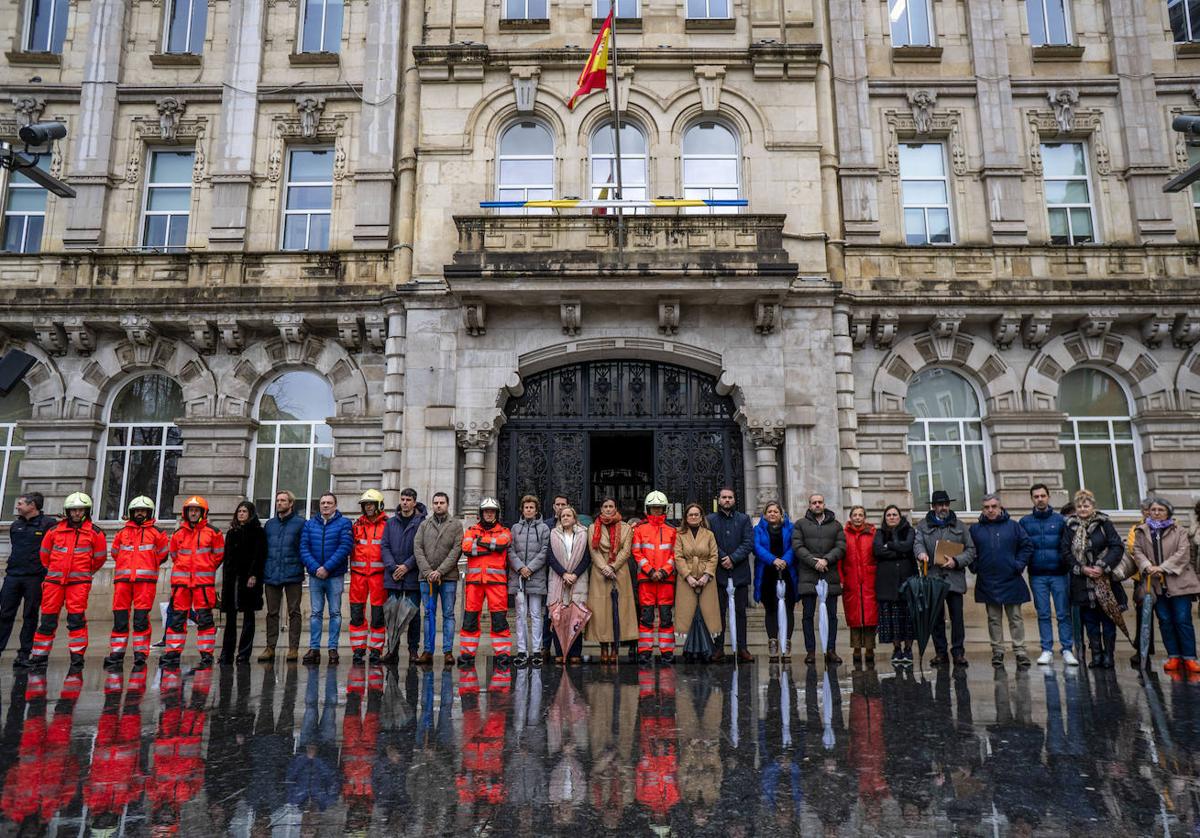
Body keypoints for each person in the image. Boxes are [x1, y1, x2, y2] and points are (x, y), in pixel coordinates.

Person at [30, 492, 107, 668]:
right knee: (47, 621)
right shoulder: (54, 531)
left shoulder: (95, 533)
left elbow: (99, 558)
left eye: (80, 510)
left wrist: (85, 573)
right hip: (54, 583)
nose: (76, 514)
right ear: (67, 511)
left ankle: (77, 657)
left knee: (76, 621)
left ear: (87, 511)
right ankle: (39, 657)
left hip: (78, 585)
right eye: (73, 510)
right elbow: (44, 555)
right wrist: (54, 572)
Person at [1132, 497, 1199, 674]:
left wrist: (1162, 568)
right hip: (1154, 584)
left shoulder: (1180, 530)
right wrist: (1147, 566)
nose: (1156, 513)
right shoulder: (1142, 530)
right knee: (1165, 620)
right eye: (1153, 510)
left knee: (1182, 620)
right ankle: (1174, 656)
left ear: (1168, 512)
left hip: (1179, 582)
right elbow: (1137, 551)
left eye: (1160, 510)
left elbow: (1183, 554)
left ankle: (1190, 657)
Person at [1059, 489, 1125, 669]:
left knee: (1108, 618)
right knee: (1090, 621)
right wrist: (1082, 569)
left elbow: (1116, 547)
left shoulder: (1104, 524)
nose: (1082, 509)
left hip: (1104, 579)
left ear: (1093, 506)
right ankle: (1096, 655)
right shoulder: (1070, 526)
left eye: (1086, 505)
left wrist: (1102, 566)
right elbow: (1065, 552)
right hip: (1081, 581)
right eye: (1079, 506)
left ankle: (1108, 655)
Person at [970, 493, 1034, 668]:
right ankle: (997, 651)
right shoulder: (975, 529)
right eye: (986, 507)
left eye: (993, 506)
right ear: (983, 509)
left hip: (1011, 578)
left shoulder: (1014, 526)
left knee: (1015, 617)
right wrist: (975, 567)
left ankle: (1020, 651)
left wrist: (1019, 564)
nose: (990, 510)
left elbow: (1027, 546)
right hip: (988, 580)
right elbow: (969, 551)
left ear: (1000, 507)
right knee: (993, 618)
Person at [104, 496, 169, 668]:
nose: (140, 514)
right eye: (137, 511)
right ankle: (116, 654)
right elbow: (115, 553)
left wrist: (148, 564)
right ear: (131, 513)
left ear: (149, 512)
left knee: (140, 620)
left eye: (143, 511)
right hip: (123, 582)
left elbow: (163, 554)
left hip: (145, 583)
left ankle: (140, 655)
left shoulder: (157, 533)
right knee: (120, 619)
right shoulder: (121, 533)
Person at [914, 490, 976, 668]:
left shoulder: (960, 526)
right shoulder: (922, 525)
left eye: (946, 504)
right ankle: (941, 652)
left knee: (957, 619)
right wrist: (921, 553)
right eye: (940, 504)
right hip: (933, 578)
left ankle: (958, 652)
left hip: (954, 578)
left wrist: (956, 561)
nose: (943, 508)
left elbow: (971, 550)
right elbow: (917, 543)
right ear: (933, 507)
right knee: (936, 619)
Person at [1019, 484, 1078, 666]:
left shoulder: (1061, 520)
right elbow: (1022, 547)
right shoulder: (1025, 522)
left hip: (1059, 573)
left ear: (1048, 496)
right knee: (1043, 613)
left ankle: (1067, 649)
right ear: (1032, 499)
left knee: (1063, 613)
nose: (1040, 499)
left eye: (1043, 495)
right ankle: (1046, 649)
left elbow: (1069, 545)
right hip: (1037, 575)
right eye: (1036, 496)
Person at [165, 495, 225, 668]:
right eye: (190, 510)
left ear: (202, 512)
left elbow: (218, 555)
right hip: (181, 584)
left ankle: (206, 655)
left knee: (205, 619)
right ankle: (173, 653)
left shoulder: (213, 532)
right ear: (186, 512)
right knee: (177, 619)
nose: (193, 513)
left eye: (196, 510)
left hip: (203, 583)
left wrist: (205, 568)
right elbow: (174, 555)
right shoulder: (178, 533)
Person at [0, 492, 55, 668]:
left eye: (21, 503)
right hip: (13, 576)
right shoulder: (16, 525)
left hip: (35, 577)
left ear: (33, 505)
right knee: (4, 614)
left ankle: (24, 653)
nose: (17, 506)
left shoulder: (48, 524)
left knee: (30, 615)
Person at [792, 493, 846, 666]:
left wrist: (826, 560)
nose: (817, 505)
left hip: (829, 573)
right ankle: (811, 651)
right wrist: (814, 562)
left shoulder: (836, 525)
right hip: (808, 574)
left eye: (819, 502)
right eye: (813, 502)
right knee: (807, 615)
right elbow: (797, 546)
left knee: (832, 615)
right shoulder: (800, 524)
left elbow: (841, 546)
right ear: (809, 505)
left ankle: (831, 650)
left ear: (824, 504)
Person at [459, 497, 513, 666]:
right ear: (481, 513)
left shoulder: (504, 531)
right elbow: (467, 548)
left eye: (492, 511)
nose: (489, 514)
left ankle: (502, 655)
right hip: (475, 582)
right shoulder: (470, 530)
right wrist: (491, 547)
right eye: (486, 511)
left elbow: (502, 544)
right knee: (470, 620)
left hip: (496, 583)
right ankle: (467, 655)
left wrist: (480, 543)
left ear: (497, 513)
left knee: (499, 620)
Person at [300, 492, 353, 666]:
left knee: (335, 613)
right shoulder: (309, 524)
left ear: (335, 506)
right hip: (315, 576)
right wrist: (316, 568)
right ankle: (314, 648)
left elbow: (345, 547)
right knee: (315, 613)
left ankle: (333, 648)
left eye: (329, 503)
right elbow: (304, 548)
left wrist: (327, 568)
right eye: (322, 502)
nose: (325, 505)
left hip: (335, 575)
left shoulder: (344, 523)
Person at [586, 496, 638, 664]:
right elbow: (593, 551)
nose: (608, 509)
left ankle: (615, 647)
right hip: (600, 573)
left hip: (619, 572)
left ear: (615, 508)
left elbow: (626, 550)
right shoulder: (593, 527)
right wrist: (604, 568)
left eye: (611, 506)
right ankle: (603, 647)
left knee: (619, 610)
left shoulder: (626, 528)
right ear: (601, 509)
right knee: (601, 612)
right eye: (605, 506)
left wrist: (613, 567)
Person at [706, 487, 754, 664]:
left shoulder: (744, 519)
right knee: (718, 612)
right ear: (718, 500)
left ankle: (742, 648)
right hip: (718, 573)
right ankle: (718, 648)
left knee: (740, 612)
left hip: (739, 571)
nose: (727, 500)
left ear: (734, 500)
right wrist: (722, 557)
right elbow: (709, 542)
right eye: (724, 497)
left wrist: (733, 558)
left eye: (730, 497)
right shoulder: (710, 520)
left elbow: (749, 542)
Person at [414, 491, 462, 666]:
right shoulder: (424, 525)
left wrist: (440, 571)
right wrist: (428, 572)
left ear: (447, 504)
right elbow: (417, 548)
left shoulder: (456, 525)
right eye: (436, 503)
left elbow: (456, 551)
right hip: (426, 579)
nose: (438, 505)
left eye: (442, 502)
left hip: (448, 578)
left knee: (448, 614)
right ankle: (428, 651)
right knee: (428, 614)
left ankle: (448, 651)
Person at [380, 488, 426, 665]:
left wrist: (407, 566)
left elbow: (422, 548)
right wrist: (393, 568)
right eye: (403, 499)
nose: (404, 502)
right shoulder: (391, 523)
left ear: (414, 502)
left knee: (412, 615)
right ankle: (392, 649)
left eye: (408, 500)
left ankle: (413, 650)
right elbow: (384, 547)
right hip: (393, 576)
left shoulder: (422, 523)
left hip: (412, 575)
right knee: (392, 614)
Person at [260, 490, 306, 663]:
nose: (279, 503)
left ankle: (293, 648)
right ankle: (270, 647)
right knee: (272, 612)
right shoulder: (270, 525)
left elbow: (304, 547)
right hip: (272, 572)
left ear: (291, 503)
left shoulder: (301, 523)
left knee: (294, 612)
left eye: (283, 500)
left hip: (293, 573)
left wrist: (301, 564)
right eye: (278, 500)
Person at [633, 490, 678, 665]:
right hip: (647, 581)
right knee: (646, 618)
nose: (657, 511)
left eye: (659, 508)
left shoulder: (672, 531)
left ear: (664, 509)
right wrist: (651, 572)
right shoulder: (640, 530)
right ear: (648, 509)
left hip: (666, 581)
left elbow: (675, 554)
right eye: (654, 508)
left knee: (666, 618)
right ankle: (645, 652)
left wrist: (664, 571)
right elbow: (636, 552)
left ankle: (667, 653)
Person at [219, 501, 266, 665]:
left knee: (248, 616)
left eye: (245, 511)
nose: (241, 514)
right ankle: (227, 653)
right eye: (239, 511)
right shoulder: (232, 533)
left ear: (251, 513)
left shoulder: (258, 532)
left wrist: (254, 575)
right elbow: (227, 559)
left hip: (249, 578)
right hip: (232, 579)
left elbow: (259, 556)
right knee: (230, 619)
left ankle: (244, 653)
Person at [674, 503, 719, 663]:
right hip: (686, 579)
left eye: (696, 514)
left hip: (706, 578)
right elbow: (678, 556)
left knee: (706, 613)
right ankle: (689, 648)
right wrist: (688, 576)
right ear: (686, 518)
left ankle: (705, 648)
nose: (693, 517)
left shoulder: (709, 535)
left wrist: (706, 575)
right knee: (688, 614)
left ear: (701, 517)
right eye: (690, 515)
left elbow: (714, 555)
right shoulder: (680, 535)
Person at [508, 495, 549, 668]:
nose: (529, 510)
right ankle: (522, 650)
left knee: (535, 614)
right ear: (522, 509)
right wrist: (520, 568)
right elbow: (510, 550)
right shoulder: (515, 528)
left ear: (536, 509)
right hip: (518, 577)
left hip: (536, 576)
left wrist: (530, 568)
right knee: (520, 615)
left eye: (532, 507)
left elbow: (544, 550)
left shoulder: (544, 528)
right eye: (526, 507)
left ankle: (537, 651)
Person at [349, 489, 389, 665]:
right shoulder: (356, 525)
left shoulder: (387, 525)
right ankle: (358, 650)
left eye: (371, 504)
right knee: (357, 614)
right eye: (366, 505)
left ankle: (375, 650)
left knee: (378, 616)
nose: (368, 507)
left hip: (378, 577)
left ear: (379, 505)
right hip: (358, 577)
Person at [752, 501, 796, 663]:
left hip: (787, 572)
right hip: (767, 574)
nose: (772, 514)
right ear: (764, 514)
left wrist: (784, 560)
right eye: (769, 511)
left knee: (788, 609)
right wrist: (773, 560)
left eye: (775, 511)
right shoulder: (758, 530)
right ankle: (773, 642)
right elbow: (756, 547)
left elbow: (794, 546)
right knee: (770, 609)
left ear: (781, 514)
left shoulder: (790, 528)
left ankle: (787, 643)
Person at [873, 505, 916, 666]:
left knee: (908, 617)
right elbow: (877, 551)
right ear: (885, 518)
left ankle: (908, 649)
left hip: (907, 580)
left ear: (900, 516)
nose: (891, 517)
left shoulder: (909, 531)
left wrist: (890, 546)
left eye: (894, 514)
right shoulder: (879, 533)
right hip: (887, 582)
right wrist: (900, 551)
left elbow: (908, 546)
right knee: (893, 617)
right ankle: (897, 648)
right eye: (888, 515)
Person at [547, 506, 590, 664]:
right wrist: (564, 574)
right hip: (559, 579)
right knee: (558, 617)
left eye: (568, 515)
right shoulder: (553, 534)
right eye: (563, 515)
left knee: (576, 617)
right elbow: (550, 557)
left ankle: (575, 653)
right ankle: (559, 652)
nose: (565, 518)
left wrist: (574, 574)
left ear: (574, 518)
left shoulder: (583, 534)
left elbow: (586, 557)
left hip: (577, 580)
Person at [842, 505, 878, 666]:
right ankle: (856, 648)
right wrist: (842, 578)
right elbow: (840, 559)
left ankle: (870, 648)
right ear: (850, 517)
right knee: (855, 616)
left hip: (870, 579)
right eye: (855, 515)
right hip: (852, 579)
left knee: (870, 616)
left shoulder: (872, 533)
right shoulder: (844, 535)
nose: (857, 517)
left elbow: (877, 556)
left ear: (865, 517)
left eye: (860, 515)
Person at [1127, 496, 1155, 667]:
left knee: (1168, 617)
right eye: (1146, 510)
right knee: (1143, 616)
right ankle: (1142, 650)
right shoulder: (1136, 528)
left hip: (1166, 579)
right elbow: (1133, 548)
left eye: (1152, 509)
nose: (1150, 513)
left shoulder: (1174, 527)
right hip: (1144, 578)